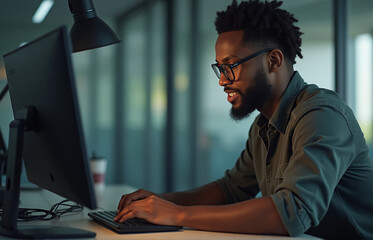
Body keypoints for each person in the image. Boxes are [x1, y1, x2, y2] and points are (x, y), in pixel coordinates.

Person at [115, 0, 373, 239]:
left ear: (273, 61)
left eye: (232, 65)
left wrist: (177, 214)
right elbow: (231, 190)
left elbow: (293, 212)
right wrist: (159, 202)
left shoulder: (321, 115)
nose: (222, 80)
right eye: (219, 67)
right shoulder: (263, 125)